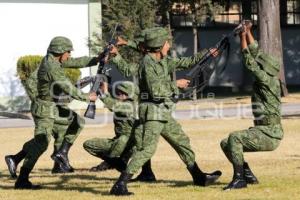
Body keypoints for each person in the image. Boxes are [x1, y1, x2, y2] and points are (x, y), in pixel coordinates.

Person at [109, 27, 222, 196]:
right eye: (166, 42)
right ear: (159, 46)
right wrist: (175, 84)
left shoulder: (162, 60)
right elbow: (155, 91)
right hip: (153, 112)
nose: (169, 45)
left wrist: (208, 54)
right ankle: (120, 184)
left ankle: (199, 177)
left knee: (181, 142)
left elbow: (186, 62)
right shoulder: (147, 64)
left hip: (162, 112)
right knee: (147, 150)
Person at [13, 36, 98, 189]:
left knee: (77, 122)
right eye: (68, 52)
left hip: (52, 108)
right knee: (41, 143)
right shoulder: (51, 67)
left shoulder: (54, 60)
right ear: (60, 51)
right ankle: (22, 180)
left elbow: (75, 62)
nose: (69, 55)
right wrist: (87, 97)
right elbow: (67, 87)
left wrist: (97, 59)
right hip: (44, 109)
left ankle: (61, 155)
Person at [220, 20, 284, 190]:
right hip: (262, 130)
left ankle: (239, 179)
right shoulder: (270, 74)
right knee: (226, 143)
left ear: (265, 69)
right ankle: (247, 174)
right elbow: (256, 52)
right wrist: (248, 31)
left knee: (235, 138)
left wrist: (241, 37)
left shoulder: (266, 81)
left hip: (270, 134)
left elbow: (249, 61)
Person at [83, 81, 143, 174]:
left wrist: (101, 94)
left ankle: (110, 162)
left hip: (130, 145)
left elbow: (113, 105)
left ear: (129, 95)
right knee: (88, 144)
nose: (119, 94)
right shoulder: (125, 103)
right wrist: (104, 86)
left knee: (122, 140)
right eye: (118, 91)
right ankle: (112, 162)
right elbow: (113, 102)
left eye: (122, 92)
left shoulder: (129, 106)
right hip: (117, 141)